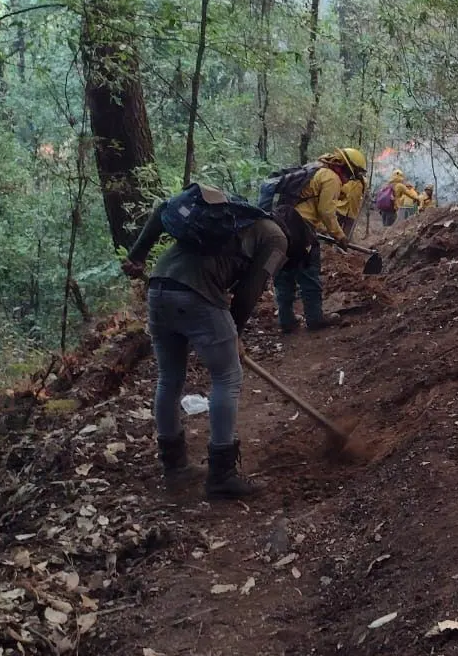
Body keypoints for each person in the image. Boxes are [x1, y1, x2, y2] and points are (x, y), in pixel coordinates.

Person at [123, 188, 314, 499]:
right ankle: (222, 475)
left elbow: (161, 209)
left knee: (170, 378)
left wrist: (137, 255)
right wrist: (234, 331)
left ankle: (174, 466)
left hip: (159, 288)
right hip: (196, 293)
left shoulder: (243, 216)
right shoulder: (277, 239)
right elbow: (250, 291)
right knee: (228, 376)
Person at [274, 147, 368, 334]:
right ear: (346, 167)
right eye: (353, 174)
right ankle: (315, 319)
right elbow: (326, 211)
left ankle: (286, 320)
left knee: (284, 273)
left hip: (279, 224)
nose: (351, 178)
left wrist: (325, 230)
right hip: (301, 229)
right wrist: (340, 236)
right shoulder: (331, 177)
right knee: (309, 274)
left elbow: (312, 207)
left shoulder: (313, 169)